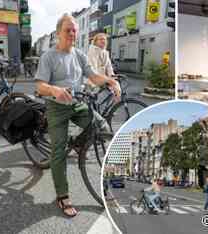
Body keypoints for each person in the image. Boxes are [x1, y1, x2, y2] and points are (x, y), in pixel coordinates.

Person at [35, 13, 121, 217]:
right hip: (56, 107)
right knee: (58, 151)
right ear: (58, 33)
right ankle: (62, 195)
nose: (72, 33)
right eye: (68, 30)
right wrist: (55, 90)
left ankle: (81, 144)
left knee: (102, 127)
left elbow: (93, 76)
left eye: (74, 30)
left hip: (77, 103)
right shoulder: (49, 56)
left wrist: (110, 81)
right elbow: (39, 86)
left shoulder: (79, 55)